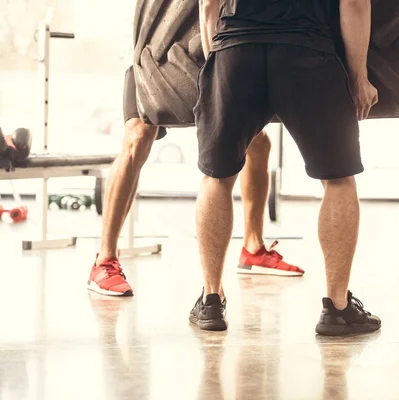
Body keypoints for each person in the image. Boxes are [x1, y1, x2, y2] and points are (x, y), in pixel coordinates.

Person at [189, 0, 381, 336]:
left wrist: (216, 66)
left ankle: (211, 300)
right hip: (306, 53)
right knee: (338, 180)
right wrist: (358, 76)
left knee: (216, 178)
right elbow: (354, 3)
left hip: (236, 50)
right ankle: (337, 308)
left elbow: (208, 5)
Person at [87, 15, 304, 297]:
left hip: (207, 49)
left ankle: (253, 249)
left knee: (257, 140)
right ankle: (104, 259)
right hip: (151, 52)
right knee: (138, 135)